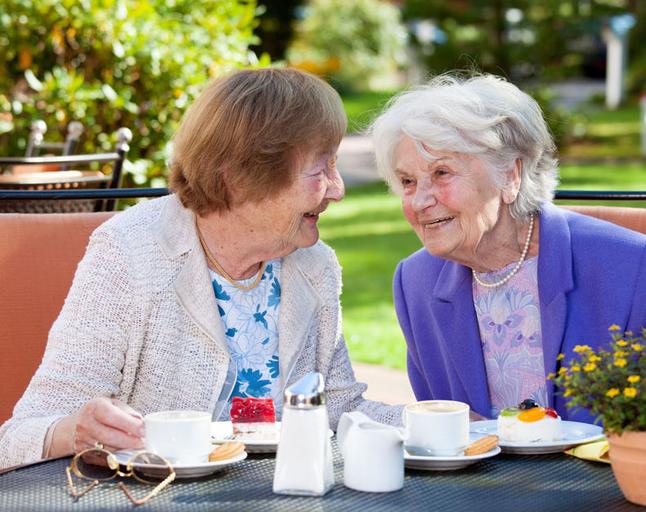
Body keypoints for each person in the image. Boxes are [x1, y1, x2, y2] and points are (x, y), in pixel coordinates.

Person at [0, 68, 402, 470]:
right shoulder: (129, 254)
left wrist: (456, 427)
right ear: (240, 178)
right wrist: (78, 431)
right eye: (320, 170)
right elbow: (21, 435)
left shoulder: (314, 265)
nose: (338, 189)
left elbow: (340, 409)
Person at [370, 73, 646, 424]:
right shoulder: (416, 282)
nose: (421, 201)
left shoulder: (632, 266)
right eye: (408, 181)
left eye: (441, 172)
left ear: (510, 176)